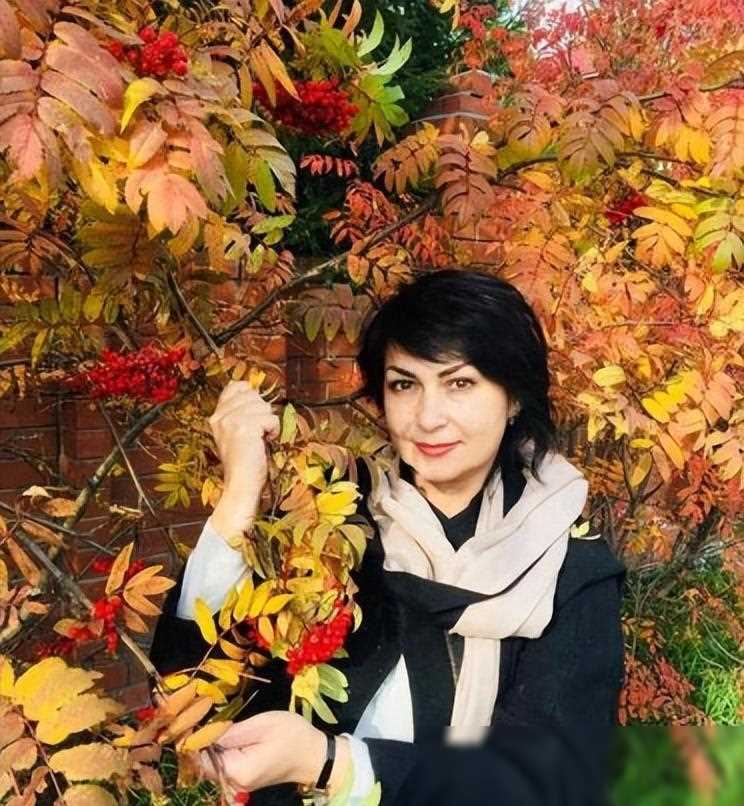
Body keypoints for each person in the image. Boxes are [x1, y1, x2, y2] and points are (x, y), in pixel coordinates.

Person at [150, 269, 627, 805]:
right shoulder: (333, 516)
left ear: (514, 397)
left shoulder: (568, 570)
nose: (428, 417)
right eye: (405, 384)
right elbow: (187, 687)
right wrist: (240, 493)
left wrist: (328, 763)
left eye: (460, 383)